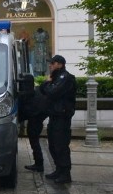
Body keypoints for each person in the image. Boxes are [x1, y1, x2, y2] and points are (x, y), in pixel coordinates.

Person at [39, 55, 77, 183]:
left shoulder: (66, 78)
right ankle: (59, 169)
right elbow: (43, 89)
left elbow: (52, 92)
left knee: (61, 145)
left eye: (53, 63)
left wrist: (47, 84)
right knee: (53, 145)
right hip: (54, 115)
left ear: (60, 64)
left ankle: (65, 173)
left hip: (62, 116)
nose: (50, 65)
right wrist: (47, 84)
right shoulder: (55, 78)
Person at [18, 73, 48, 172]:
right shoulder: (37, 91)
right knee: (34, 142)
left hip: (35, 122)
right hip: (37, 121)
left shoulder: (27, 95)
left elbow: (25, 111)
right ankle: (38, 163)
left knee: (34, 142)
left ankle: (39, 164)